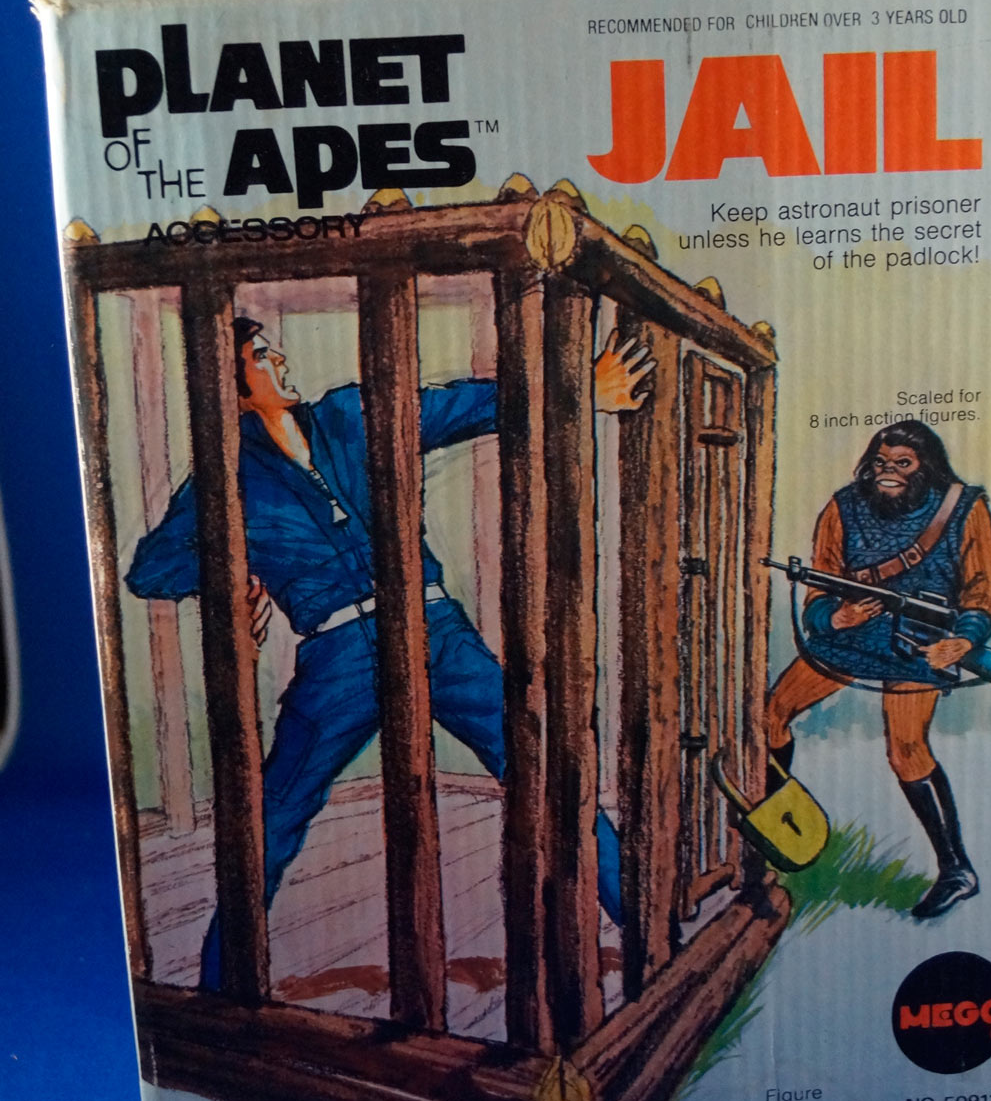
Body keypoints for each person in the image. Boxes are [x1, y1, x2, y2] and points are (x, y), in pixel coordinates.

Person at [126, 317, 655, 988]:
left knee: (543, 766)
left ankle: (644, 933)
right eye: (259, 355)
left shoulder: (348, 415)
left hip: (434, 628)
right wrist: (230, 579)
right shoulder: (222, 478)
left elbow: (466, 406)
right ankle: (221, 989)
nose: (278, 357)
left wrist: (575, 388)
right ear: (230, 386)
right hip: (339, 655)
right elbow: (151, 570)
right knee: (274, 814)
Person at [765, 420, 991, 920]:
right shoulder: (843, 506)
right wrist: (835, 618)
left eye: (902, 463)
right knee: (772, 714)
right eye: (880, 462)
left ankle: (956, 869)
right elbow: (821, 586)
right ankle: (770, 833)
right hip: (852, 637)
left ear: (926, 466)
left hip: (920, 645)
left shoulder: (964, 507)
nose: (887, 472)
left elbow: (984, 589)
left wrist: (963, 641)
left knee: (906, 751)